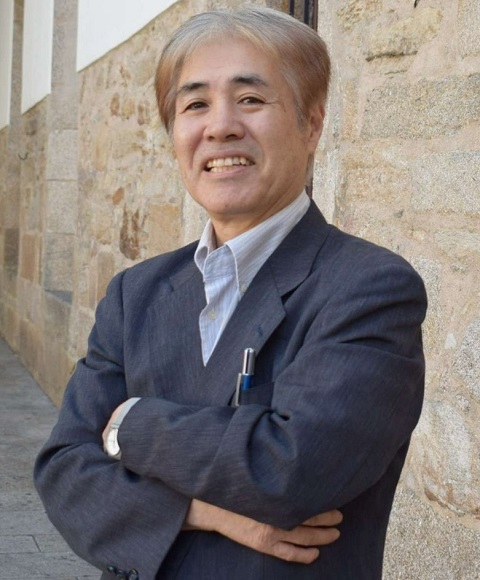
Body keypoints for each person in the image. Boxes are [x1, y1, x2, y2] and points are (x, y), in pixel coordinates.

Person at [34, 7, 427, 580]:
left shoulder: (368, 288)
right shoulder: (134, 294)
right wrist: (201, 513)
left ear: (311, 124)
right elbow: (65, 473)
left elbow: (290, 469)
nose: (220, 127)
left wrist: (129, 425)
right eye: (194, 104)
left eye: (250, 99)